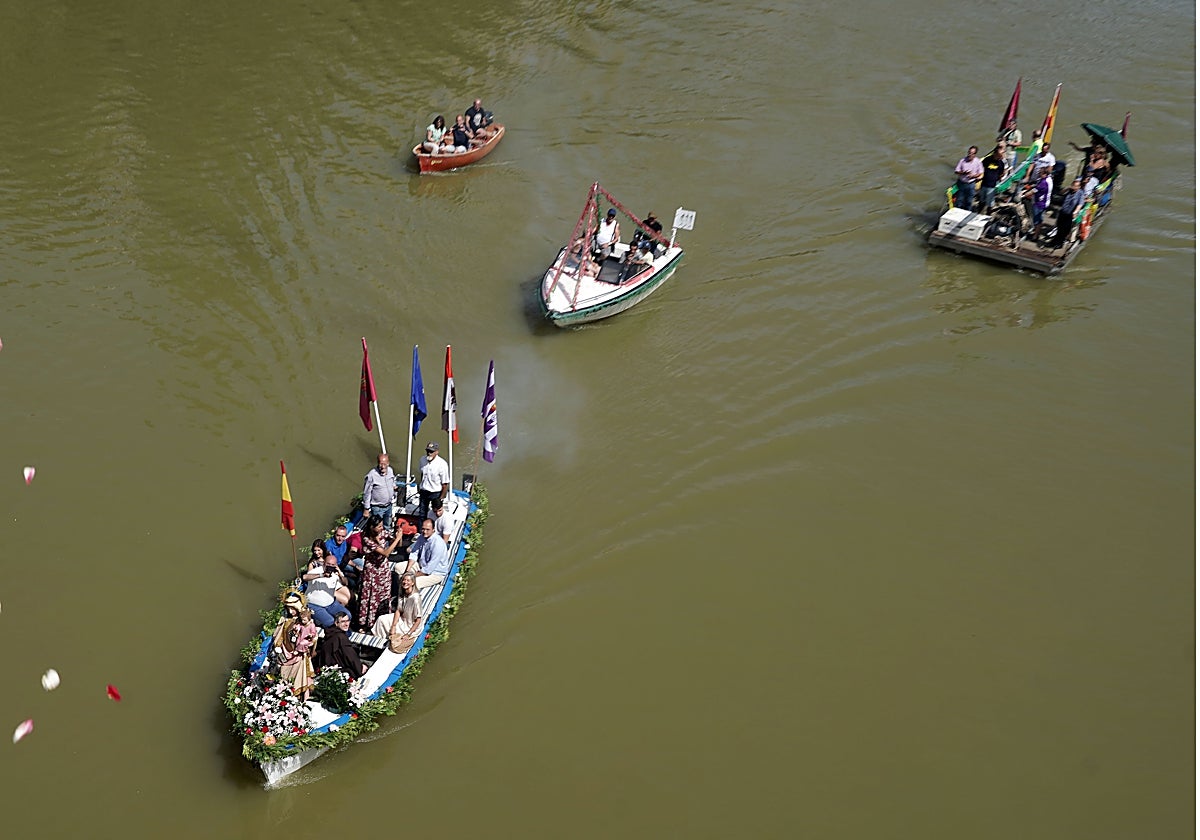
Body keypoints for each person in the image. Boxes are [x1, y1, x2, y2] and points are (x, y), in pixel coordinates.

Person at [356, 516, 405, 632]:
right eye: (378, 526)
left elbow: (398, 545)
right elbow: (386, 553)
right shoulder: (367, 539)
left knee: (383, 595)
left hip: (383, 570)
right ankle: (366, 623)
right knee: (370, 596)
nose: (381, 528)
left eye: (381, 525)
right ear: (372, 528)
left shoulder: (383, 532)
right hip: (372, 572)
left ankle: (381, 619)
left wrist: (399, 536)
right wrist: (397, 539)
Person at [273, 593, 318, 700]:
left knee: (300, 676)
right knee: (284, 673)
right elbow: (279, 635)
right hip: (285, 651)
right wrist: (278, 645)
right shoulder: (285, 620)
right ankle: (285, 694)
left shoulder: (303, 622)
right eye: (288, 609)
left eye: (292, 609)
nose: (290, 612)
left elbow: (312, 636)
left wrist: (309, 642)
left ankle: (300, 696)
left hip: (299, 654)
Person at [302, 541, 353, 628]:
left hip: (331, 603)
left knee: (347, 615)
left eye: (332, 565)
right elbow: (305, 577)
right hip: (315, 604)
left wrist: (340, 573)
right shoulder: (318, 570)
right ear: (324, 564)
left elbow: (345, 583)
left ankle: (344, 633)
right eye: (328, 564)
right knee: (330, 622)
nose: (329, 567)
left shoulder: (335, 574)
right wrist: (321, 575)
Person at [371, 572, 423, 642]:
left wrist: (409, 634)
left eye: (408, 580)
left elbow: (418, 620)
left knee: (400, 632)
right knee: (381, 619)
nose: (405, 582)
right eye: (404, 580)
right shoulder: (402, 594)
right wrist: (393, 626)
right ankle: (379, 640)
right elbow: (398, 610)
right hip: (402, 618)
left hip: (410, 624)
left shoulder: (415, 598)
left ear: (412, 583)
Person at [313, 612, 366, 677]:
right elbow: (350, 656)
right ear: (336, 623)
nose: (346, 624)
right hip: (339, 672)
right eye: (343, 621)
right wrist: (360, 669)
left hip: (328, 671)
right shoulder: (340, 637)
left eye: (347, 621)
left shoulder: (330, 634)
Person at [405, 519, 451, 590]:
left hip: (435, 573)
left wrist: (412, 576)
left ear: (433, 530)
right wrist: (407, 570)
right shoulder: (421, 537)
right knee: (398, 567)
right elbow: (414, 553)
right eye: (423, 529)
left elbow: (430, 568)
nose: (425, 532)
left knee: (412, 582)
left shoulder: (438, 544)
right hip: (422, 565)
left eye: (427, 529)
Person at [362, 453, 397, 531]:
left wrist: (394, 486)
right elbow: (367, 493)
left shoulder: (390, 470)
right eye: (381, 464)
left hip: (388, 505)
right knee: (377, 528)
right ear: (378, 463)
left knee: (387, 525)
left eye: (384, 464)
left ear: (388, 463)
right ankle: (378, 541)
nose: (383, 466)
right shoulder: (372, 475)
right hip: (377, 508)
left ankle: (387, 540)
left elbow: (393, 480)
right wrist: (366, 509)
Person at [417, 442, 449, 521]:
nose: (429, 453)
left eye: (431, 451)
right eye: (428, 451)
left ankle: (435, 531)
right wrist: (420, 487)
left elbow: (445, 484)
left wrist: (441, 498)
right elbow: (422, 474)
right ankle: (421, 531)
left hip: (435, 493)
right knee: (422, 513)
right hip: (424, 491)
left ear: (437, 452)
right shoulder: (422, 460)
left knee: (436, 514)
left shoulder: (442, 464)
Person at [1052, 178, 1086, 249]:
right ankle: (1054, 241)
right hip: (1063, 211)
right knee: (1059, 227)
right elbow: (1060, 193)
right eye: (1074, 186)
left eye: (1076, 186)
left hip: (1070, 214)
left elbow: (1080, 204)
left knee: (1064, 229)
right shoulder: (1069, 191)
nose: (1075, 188)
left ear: (1079, 187)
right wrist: (1068, 188)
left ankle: (1060, 243)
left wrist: (1075, 211)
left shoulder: (1080, 193)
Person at [978, 143, 1009, 212]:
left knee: (990, 202)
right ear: (995, 154)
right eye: (999, 156)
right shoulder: (987, 160)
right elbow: (980, 168)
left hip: (992, 186)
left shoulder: (1001, 163)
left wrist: (998, 179)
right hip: (984, 183)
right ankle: (979, 211)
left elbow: (1001, 174)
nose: (1001, 157)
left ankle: (988, 215)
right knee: (981, 199)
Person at [953, 146, 983, 211]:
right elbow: (956, 171)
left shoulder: (978, 162)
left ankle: (967, 212)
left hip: (971, 184)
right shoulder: (962, 161)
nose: (970, 155)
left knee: (969, 200)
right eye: (969, 153)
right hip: (962, 183)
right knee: (959, 199)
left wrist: (973, 176)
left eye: (972, 153)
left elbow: (980, 173)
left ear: (975, 154)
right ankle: (958, 212)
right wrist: (964, 173)